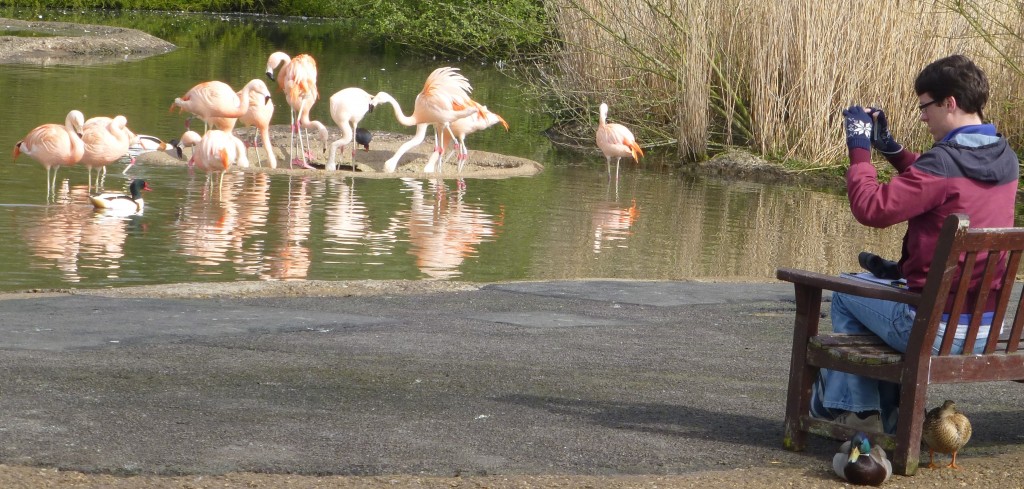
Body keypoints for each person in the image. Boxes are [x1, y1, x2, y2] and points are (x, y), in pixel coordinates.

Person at [812, 54, 1020, 434]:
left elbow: (872, 209)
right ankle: (881, 410)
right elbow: (939, 183)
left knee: (845, 294)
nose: (922, 116)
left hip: (934, 331)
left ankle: (862, 412)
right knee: (877, 288)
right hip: (985, 329)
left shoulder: (943, 163)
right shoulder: (1006, 158)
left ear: (949, 102)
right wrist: (889, 147)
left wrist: (860, 148)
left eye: (925, 106)